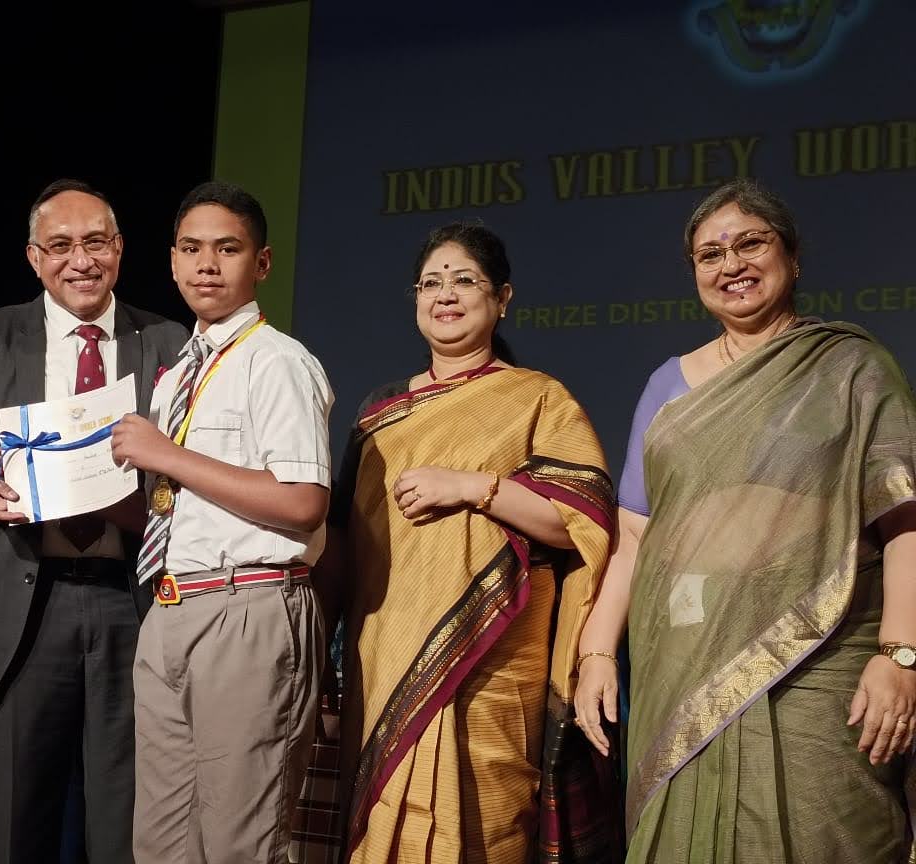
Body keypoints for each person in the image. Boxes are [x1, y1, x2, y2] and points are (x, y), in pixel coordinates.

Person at [574, 178, 916, 863]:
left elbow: (904, 519)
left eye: (751, 244)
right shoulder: (667, 386)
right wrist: (597, 653)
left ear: (792, 257)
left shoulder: (851, 368)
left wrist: (900, 656)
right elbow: (634, 536)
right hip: (682, 666)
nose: (731, 264)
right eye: (710, 254)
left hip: (820, 665)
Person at [0, 178, 188, 864]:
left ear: (119, 249)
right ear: (34, 259)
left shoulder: (170, 341)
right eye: (60, 246)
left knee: (128, 835)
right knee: (14, 834)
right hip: (14, 604)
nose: (80, 261)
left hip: (133, 603)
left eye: (95, 242)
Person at [324, 222, 620, 864]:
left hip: (494, 659)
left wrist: (472, 487)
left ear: (502, 297)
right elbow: (345, 541)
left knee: (491, 825)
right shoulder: (379, 411)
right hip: (386, 656)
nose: (446, 295)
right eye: (431, 283)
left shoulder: (538, 399)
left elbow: (579, 524)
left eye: (465, 281)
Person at [109, 180, 332, 864]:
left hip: (247, 605)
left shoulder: (277, 361)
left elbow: (303, 501)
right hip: (172, 607)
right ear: (172, 261)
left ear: (261, 263)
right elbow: (178, 504)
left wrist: (165, 453)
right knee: (161, 844)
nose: (206, 264)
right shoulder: (178, 372)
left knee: (241, 842)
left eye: (227, 249)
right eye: (191, 249)